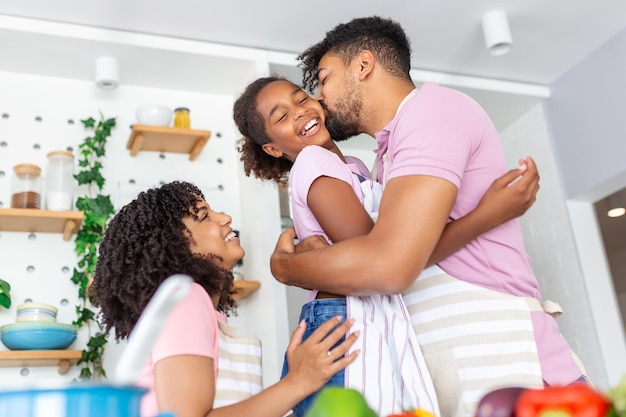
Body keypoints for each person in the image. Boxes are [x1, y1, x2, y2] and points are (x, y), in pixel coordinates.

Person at [269, 16, 587, 417]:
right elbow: (400, 252)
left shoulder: (430, 113)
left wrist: (287, 267)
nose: (320, 98)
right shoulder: (384, 156)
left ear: (363, 66)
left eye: (325, 79)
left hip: (501, 350)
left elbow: (389, 265)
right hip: (456, 356)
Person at [234, 77, 541, 417]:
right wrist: (486, 215)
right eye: (281, 116)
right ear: (273, 149)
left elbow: (399, 249)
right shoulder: (312, 162)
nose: (301, 111)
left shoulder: (354, 167)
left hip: (369, 313)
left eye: (301, 98)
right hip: (343, 322)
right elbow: (382, 257)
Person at [90, 181, 360, 417]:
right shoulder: (186, 302)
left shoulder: (196, 309)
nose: (225, 217)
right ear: (175, 244)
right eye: (204, 216)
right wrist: (298, 381)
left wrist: (298, 385)